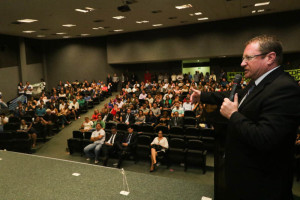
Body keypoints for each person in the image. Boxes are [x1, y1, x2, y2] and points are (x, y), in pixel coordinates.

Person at [191, 35, 300, 199]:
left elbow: (266, 138)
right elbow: (235, 95)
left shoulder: (284, 88)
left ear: (270, 58)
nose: (242, 63)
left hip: (262, 185)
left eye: (248, 58)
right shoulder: (258, 83)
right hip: (244, 178)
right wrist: (203, 95)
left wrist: (233, 115)